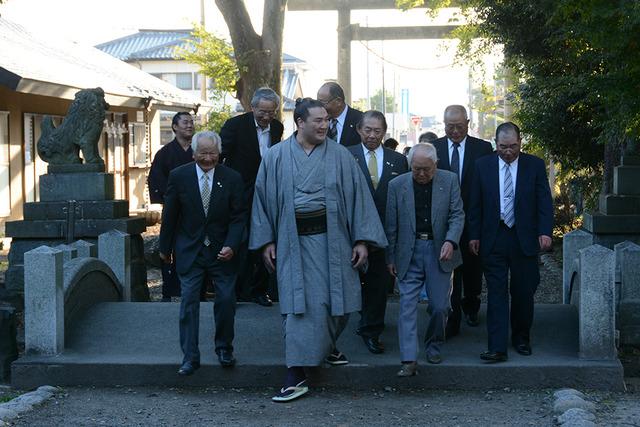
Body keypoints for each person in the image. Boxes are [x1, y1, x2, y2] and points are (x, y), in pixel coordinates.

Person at [250, 98, 387, 402]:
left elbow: (359, 199)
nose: (325, 125)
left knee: (338, 304)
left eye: (327, 120)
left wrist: (362, 240)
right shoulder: (275, 157)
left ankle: (327, 345)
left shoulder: (340, 156)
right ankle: (296, 374)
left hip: (334, 242)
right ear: (300, 123)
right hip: (291, 242)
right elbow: (262, 201)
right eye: (318, 121)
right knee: (299, 306)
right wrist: (267, 241)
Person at [159, 131, 247, 375]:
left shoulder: (232, 178)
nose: (208, 159)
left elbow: (239, 216)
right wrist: (164, 249)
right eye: (203, 153)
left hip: (222, 250)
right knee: (188, 302)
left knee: (227, 301)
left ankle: (224, 348)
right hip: (191, 249)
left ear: (219, 153)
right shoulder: (179, 176)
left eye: (212, 153)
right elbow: (170, 215)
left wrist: (232, 244)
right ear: (194, 152)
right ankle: (190, 356)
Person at [468, 122, 553, 363]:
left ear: (520, 142)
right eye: (503, 147)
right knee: (496, 292)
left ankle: (521, 337)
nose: (508, 152)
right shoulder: (482, 165)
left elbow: (544, 202)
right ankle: (496, 346)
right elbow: (475, 204)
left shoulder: (534, 165)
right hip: (493, 236)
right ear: (496, 144)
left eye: (513, 146)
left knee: (523, 291)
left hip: (523, 236)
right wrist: (474, 235)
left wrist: (545, 231)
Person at [385, 143, 465, 375]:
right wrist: (390, 257)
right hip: (407, 251)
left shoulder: (449, 181)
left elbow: (457, 215)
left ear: (435, 165)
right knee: (406, 305)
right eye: (416, 169)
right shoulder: (396, 186)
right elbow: (391, 226)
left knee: (440, 306)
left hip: (438, 248)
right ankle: (408, 359)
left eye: (426, 169)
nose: (421, 174)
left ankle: (434, 344)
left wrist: (451, 241)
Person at [347, 111, 408, 354]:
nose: (372, 135)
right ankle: (362, 318)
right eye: (368, 130)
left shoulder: (397, 160)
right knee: (354, 280)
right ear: (359, 130)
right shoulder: (346, 155)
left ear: (384, 132)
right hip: (353, 231)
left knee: (379, 283)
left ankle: (372, 329)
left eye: (377, 131)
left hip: (385, 232)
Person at [432, 105, 493, 338]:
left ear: (468, 123)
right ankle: (452, 312)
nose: (455, 131)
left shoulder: (483, 148)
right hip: (444, 221)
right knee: (448, 266)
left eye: (459, 126)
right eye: (450, 127)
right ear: (444, 124)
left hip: (474, 217)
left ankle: (472, 305)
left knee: (473, 267)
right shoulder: (434, 148)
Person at [220, 87, 284, 307]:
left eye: (271, 112)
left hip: (267, 191)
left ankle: (259, 290)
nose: (267, 117)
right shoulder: (234, 126)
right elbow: (221, 158)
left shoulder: (277, 128)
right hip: (240, 191)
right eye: (262, 112)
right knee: (241, 240)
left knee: (265, 240)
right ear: (253, 107)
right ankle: (236, 290)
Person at [148, 112, 194, 302]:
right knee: (169, 248)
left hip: (199, 209)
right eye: (185, 122)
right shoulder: (165, 153)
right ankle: (169, 290)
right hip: (174, 209)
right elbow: (156, 179)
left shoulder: (199, 150)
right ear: (174, 127)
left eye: (192, 122)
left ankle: (196, 289)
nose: (190, 125)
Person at [316, 82, 363, 146]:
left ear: (338, 101)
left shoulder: (361, 120)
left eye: (322, 103)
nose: (319, 106)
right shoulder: (318, 121)